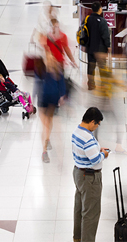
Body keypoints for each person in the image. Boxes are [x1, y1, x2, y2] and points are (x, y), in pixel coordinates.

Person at [72, 107, 109, 242]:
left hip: (78, 173)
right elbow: (95, 160)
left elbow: (85, 151)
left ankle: (77, 238)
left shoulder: (77, 131)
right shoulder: (87, 137)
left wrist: (97, 149)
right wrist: (103, 154)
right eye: (98, 124)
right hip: (90, 178)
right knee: (91, 213)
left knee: (79, 209)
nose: (97, 126)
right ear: (92, 122)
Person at [39, 19, 74, 163]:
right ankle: (44, 149)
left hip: (51, 99)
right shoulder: (42, 70)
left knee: (49, 124)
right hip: (44, 100)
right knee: (45, 124)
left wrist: (62, 98)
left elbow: (62, 88)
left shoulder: (58, 71)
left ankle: (46, 140)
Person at [84, 2, 111, 90]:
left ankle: (91, 85)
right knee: (102, 67)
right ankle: (104, 85)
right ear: (100, 9)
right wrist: (108, 46)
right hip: (100, 49)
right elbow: (105, 35)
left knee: (91, 67)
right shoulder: (102, 21)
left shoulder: (87, 19)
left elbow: (84, 33)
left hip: (90, 47)